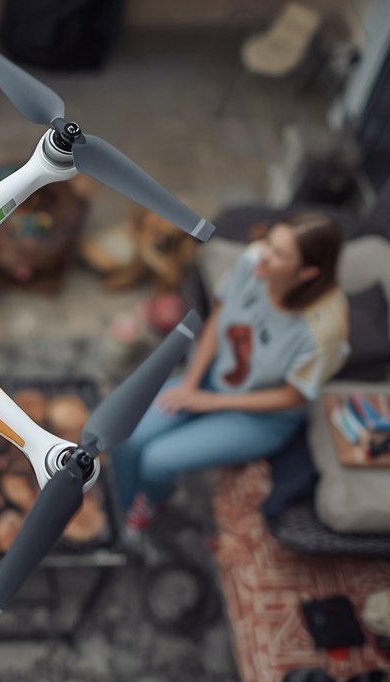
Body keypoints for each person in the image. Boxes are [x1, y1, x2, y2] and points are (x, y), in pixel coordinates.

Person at [112, 212, 350, 533]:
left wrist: (209, 403)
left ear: (307, 272)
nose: (264, 254)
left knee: (158, 460)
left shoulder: (324, 330)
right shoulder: (252, 262)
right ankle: (120, 502)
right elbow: (217, 320)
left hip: (261, 417)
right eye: (269, 242)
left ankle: (152, 501)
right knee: (127, 434)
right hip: (213, 380)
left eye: (279, 254)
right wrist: (192, 384)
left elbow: (291, 395)